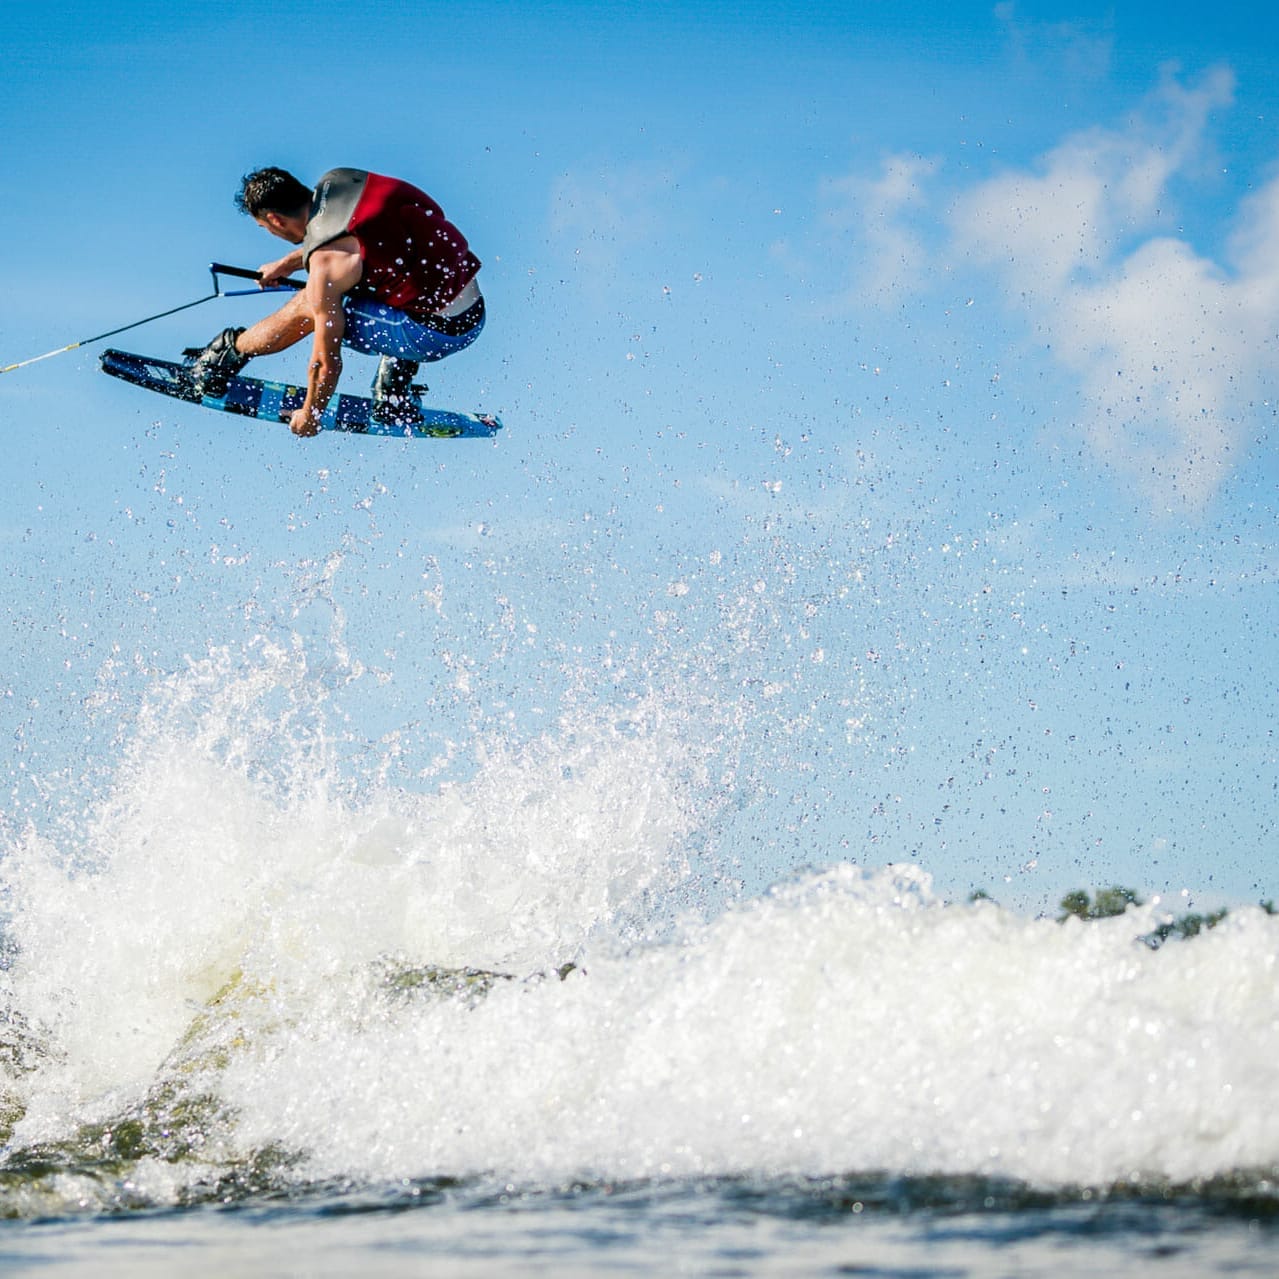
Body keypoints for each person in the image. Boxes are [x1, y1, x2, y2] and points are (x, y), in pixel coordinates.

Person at [187, 167, 484, 435]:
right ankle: (393, 386)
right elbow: (356, 238)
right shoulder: (345, 180)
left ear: (274, 220)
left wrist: (311, 414)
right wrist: (290, 263)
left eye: (266, 228)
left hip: (435, 336)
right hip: (474, 312)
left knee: (311, 303)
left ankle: (223, 357)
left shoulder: (326, 264)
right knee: (382, 274)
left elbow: (325, 362)